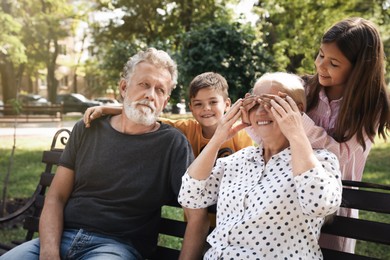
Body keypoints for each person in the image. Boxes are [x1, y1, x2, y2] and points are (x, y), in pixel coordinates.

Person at [0, 48, 209, 260]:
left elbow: (197, 216)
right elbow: (56, 197)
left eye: (160, 90)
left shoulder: (172, 144)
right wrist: (49, 253)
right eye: (144, 84)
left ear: (165, 101)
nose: (150, 95)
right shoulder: (88, 128)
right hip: (59, 238)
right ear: (124, 87)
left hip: (116, 248)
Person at [245, 17, 390, 254]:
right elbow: (270, 141)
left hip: (336, 207)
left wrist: (298, 124)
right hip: (289, 200)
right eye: (321, 55)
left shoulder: (370, 107)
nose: (321, 66)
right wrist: (252, 119)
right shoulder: (303, 89)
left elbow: (342, 159)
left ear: (358, 69)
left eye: (334, 63)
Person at [178, 72, 343, 259]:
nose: (261, 111)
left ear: (297, 109)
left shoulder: (320, 160)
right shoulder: (237, 161)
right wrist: (218, 138)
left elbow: (319, 205)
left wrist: (296, 132)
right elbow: (190, 196)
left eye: (271, 103)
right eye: (255, 103)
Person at [84, 72, 253, 158]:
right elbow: (151, 117)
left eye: (213, 102)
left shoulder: (240, 134)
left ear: (227, 104)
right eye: (198, 104)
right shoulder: (187, 129)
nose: (206, 109)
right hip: (198, 212)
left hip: (230, 215)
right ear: (191, 109)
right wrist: (107, 109)